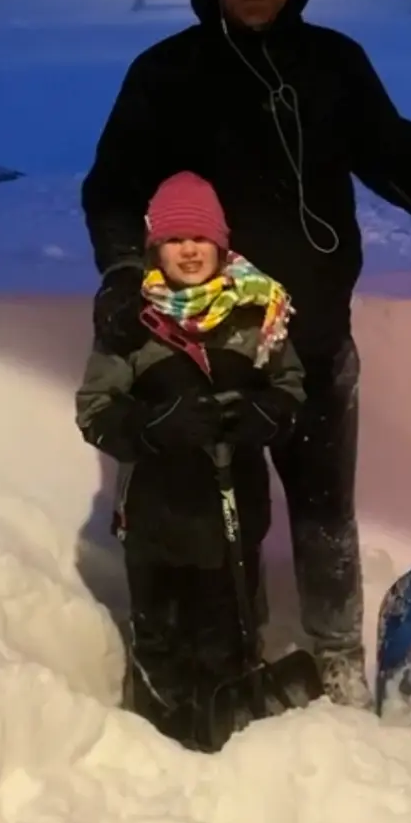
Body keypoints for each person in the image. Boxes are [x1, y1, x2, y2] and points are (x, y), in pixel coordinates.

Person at [81, 0, 411, 708]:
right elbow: (112, 188)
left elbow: (400, 162)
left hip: (315, 344)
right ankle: (235, 660)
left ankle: (337, 665)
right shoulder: (168, 74)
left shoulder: (333, 64)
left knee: (326, 518)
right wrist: (119, 273)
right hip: (212, 357)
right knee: (229, 517)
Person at [75, 170, 305, 749]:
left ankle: (232, 735)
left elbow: (291, 387)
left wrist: (265, 413)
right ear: (155, 247)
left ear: (221, 244)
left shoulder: (256, 311)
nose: (189, 250)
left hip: (235, 513)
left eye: (200, 238)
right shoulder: (131, 321)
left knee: (232, 630)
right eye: (175, 239)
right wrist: (155, 427)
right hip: (157, 520)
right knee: (163, 638)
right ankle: (165, 741)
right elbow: (95, 410)